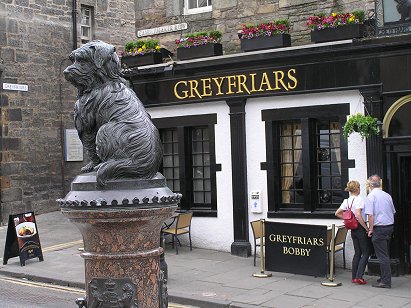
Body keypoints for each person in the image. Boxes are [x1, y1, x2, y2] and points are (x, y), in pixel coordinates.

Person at [335, 180, 370, 285]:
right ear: (357, 188)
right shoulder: (359, 200)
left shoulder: (347, 201)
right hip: (359, 228)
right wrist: (366, 228)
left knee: (357, 252)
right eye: (359, 187)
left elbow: (337, 213)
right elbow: (359, 215)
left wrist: (347, 219)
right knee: (366, 252)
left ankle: (354, 276)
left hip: (352, 229)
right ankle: (359, 277)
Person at [365, 174, 396, 289]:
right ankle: (384, 277)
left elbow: (371, 215)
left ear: (369, 185)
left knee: (382, 256)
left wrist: (370, 229)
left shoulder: (371, 197)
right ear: (380, 183)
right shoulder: (387, 195)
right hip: (389, 227)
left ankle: (386, 281)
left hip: (379, 228)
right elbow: (392, 211)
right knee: (385, 253)